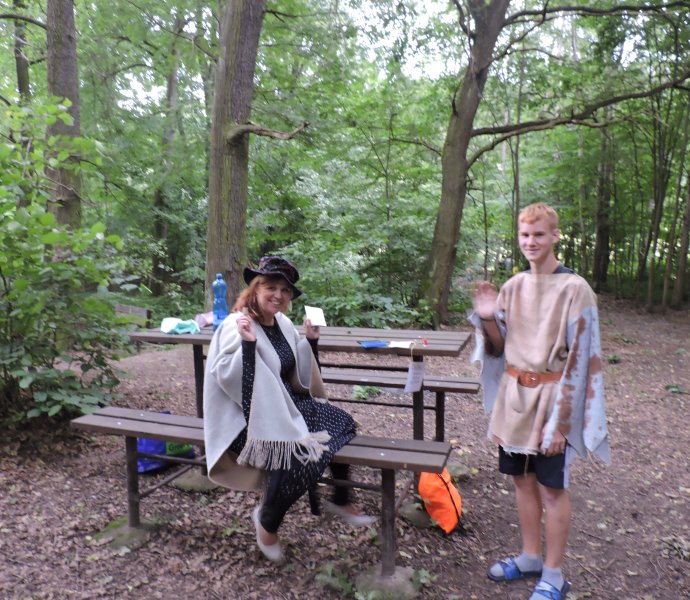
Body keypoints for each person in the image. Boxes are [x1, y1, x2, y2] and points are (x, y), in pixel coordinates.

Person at [471, 203, 610, 600]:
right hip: (515, 398)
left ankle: (553, 574)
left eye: (538, 234)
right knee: (522, 480)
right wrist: (487, 318)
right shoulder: (514, 286)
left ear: (554, 236)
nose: (530, 242)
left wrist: (562, 423)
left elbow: (581, 361)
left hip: (553, 401)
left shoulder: (575, 289)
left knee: (552, 489)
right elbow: (499, 348)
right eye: (524, 235)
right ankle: (530, 557)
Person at [203, 255, 374, 563]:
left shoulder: (281, 323)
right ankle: (267, 520)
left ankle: (340, 498)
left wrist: (311, 341)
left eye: (285, 290)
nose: (278, 295)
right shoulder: (237, 324)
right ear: (256, 288)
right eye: (271, 287)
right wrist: (248, 344)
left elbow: (298, 376)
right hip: (244, 418)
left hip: (283, 405)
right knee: (300, 455)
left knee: (341, 423)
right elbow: (228, 378)